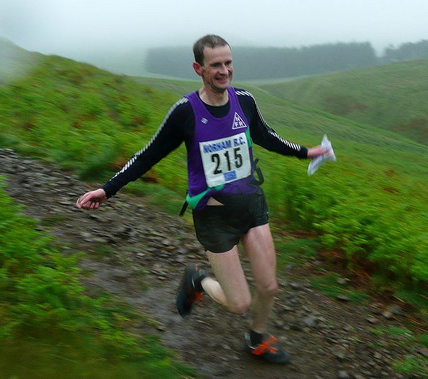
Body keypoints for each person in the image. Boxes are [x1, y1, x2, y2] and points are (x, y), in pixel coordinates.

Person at [76, 34, 329, 364]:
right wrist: (107, 189)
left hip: (252, 205)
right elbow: (147, 155)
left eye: (228, 62)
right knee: (238, 303)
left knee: (269, 287)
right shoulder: (185, 112)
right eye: (215, 65)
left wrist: (306, 152)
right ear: (199, 68)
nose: (224, 71)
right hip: (213, 213)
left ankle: (256, 340)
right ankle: (197, 280)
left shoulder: (245, 101)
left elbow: (266, 136)